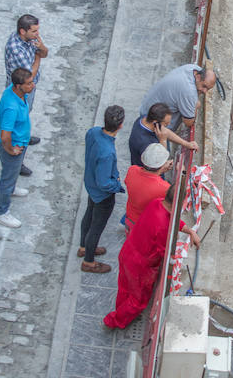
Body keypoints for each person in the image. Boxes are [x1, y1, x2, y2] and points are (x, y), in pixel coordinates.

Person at [103, 184, 199, 329]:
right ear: (179, 203)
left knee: (125, 287)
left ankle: (121, 310)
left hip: (128, 252)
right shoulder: (162, 227)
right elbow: (164, 253)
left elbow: (172, 220)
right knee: (138, 300)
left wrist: (189, 231)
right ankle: (114, 321)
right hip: (140, 266)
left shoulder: (157, 202)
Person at [79, 105, 125, 273]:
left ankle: (84, 247)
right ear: (120, 125)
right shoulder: (107, 152)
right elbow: (104, 183)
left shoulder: (93, 133)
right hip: (103, 195)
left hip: (90, 185)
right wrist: (117, 185)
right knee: (96, 228)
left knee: (89, 215)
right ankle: (89, 262)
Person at [4, 13, 49, 177]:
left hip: (29, 87)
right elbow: (30, 74)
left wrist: (41, 49)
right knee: (17, 122)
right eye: (34, 31)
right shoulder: (15, 49)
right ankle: (17, 160)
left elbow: (44, 52)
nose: (37, 34)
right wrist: (37, 56)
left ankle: (25, 135)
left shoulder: (31, 38)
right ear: (23, 31)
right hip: (19, 90)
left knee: (26, 113)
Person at [0, 67, 34, 229]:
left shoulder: (17, 92)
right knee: (7, 178)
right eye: (29, 83)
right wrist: (11, 150)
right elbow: (5, 136)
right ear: (18, 86)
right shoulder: (11, 106)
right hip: (15, 146)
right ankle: (1, 212)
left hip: (21, 143)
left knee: (11, 175)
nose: (33, 86)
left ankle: (11, 189)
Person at [139, 64, 216, 133]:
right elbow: (189, 122)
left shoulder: (193, 68)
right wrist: (195, 105)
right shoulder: (189, 92)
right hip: (152, 122)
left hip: (147, 106)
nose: (205, 91)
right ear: (198, 77)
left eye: (208, 89)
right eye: (204, 86)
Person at [128, 102, 198, 167]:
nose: (167, 126)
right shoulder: (144, 142)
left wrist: (186, 144)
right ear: (155, 122)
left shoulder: (146, 118)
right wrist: (163, 140)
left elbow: (165, 131)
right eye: (165, 124)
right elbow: (159, 162)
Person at [124, 142, 173, 234]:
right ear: (161, 166)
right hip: (144, 225)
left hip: (130, 219)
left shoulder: (132, 170)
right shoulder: (164, 188)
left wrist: (161, 169)